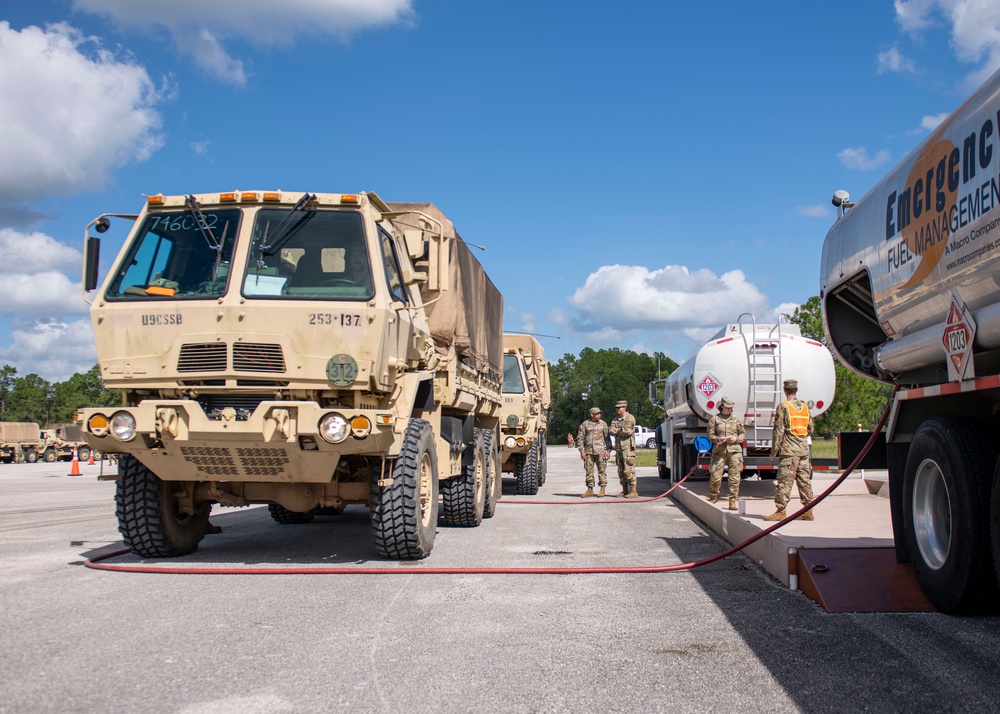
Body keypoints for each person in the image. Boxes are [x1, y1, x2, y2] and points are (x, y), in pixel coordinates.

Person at [764, 379, 815, 521]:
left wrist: (774, 451)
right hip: (803, 450)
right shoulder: (805, 407)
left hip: (789, 451)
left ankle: (781, 510)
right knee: (804, 480)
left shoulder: (783, 407)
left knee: (785, 480)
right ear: (796, 390)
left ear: (785, 391)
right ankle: (808, 510)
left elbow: (779, 431)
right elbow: (810, 428)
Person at [706, 396, 745, 509]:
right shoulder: (715, 419)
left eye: (731, 408)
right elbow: (709, 434)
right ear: (722, 406)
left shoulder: (736, 419)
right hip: (720, 451)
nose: (729, 410)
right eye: (727, 407)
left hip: (734, 451)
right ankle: (713, 496)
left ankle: (732, 500)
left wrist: (736, 439)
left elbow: (742, 433)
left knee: (734, 477)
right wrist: (717, 439)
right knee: (715, 475)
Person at [576, 407, 610, 498]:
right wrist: (581, 451)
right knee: (589, 471)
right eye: (597, 413)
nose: (599, 415)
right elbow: (580, 438)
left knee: (602, 470)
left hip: (600, 451)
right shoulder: (585, 424)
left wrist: (608, 451)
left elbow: (607, 439)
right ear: (592, 414)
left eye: (600, 413)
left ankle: (602, 488)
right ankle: (590, 489)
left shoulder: (603, 424)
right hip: (589, 451)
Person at [609, 399, 638, 498]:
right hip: (619, 448)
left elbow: (628, 432)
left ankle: (634, 491)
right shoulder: (615, 419)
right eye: (617, 408)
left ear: (624, 408)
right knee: (620, 470)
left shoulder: (630, 418)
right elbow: (611, 431)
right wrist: (620, 430)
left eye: (619, 407)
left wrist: (618, 430)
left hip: (627, 448)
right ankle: (624, 490)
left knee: (628, 469)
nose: (617, 409)